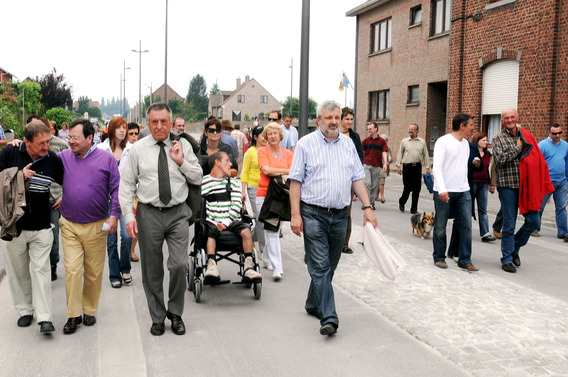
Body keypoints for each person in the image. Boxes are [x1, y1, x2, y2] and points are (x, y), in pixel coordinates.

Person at [290, 100, 377, 336]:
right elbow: (295, 181)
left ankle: (312, 302)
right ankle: (329, 317)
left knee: (330, 266)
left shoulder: (348, 144)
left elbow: (357, 178)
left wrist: (368, 207)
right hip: (313, 214)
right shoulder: (305, 144)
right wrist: (295, 214)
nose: (334, 122)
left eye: (337, 117)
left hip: (340, 216)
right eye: (329, 118)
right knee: (320, 267)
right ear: (319, 120)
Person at [119, 103, 202, 336]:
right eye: (154, 122)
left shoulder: (182, 144)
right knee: (151, 269)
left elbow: (197, 177)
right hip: (149, 213)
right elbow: (125, 186)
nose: (159, 126)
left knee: (178, 265)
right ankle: (157, 316)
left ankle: (175, 313)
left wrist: (181, 162)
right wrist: (128, 216)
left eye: (163, 121)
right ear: (147, 123)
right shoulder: (137, 150)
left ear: (170, 121)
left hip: (177, 213)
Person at [0, 120, 63, 334]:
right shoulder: (9, 153)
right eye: (41, 143)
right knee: (18, 272)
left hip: (42, 226)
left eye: (48, 141)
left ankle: (45, 317)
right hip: (12, 227)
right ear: (26, 141)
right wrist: (18, 177)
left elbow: (67, 181)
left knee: (42, 271)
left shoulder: (52, 159)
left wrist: (64, 195)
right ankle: (25, 311)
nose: (46, 147)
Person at [58, 118, 120, 334]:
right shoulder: (64, 157)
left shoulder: (106, 159)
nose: (71, 141)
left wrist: (114, 216)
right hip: (69, 224)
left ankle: (89, 310)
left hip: (97, 225)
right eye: (69, 137)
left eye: (75, 138)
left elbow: (116, 189)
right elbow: (44, 165)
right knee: (73, 270)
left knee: (93, 272)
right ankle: (73, 315)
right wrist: (17, 145)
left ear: (89, 138)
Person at [492, 108, 553, 273]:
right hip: (508, 187)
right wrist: (518, 148)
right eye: (506, 118)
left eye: (512, 117)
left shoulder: (527, 135)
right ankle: (506, 259)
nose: (510, 120)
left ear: (517, 117)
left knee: (534, 221)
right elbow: (500, 159)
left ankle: (514, 248)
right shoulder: (498, 138)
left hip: (528, 186)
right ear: (502, 121)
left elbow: (537, 157)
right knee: (509, 224)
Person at [201, 151, 262, 283]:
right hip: (213, 220)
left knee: (246, 231)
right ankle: (211, 265)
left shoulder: (233, 183)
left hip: (231, 219)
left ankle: (248, 266)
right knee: (210, 232)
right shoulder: (204, 182)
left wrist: (226, 222)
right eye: (227, 161)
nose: (231, 164)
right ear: (217, 162)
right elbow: (199, 205)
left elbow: (236, 205)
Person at [431, 113, 479, 272]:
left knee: (466, 226)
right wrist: (442, 189)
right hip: (444, 190)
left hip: (463, 191)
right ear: (462, 126)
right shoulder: (443, 142)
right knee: (440, 225)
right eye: (471, 125)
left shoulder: (466, 144)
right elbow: (436, 167)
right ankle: (439, 257)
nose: (473, 128)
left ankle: (465, 259)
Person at [97, 117, 133, 288]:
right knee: (111, 239)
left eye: (124, 127)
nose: (122, 131)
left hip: (126, 199)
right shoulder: (101, 149)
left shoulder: (132, 149)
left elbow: (138, 173)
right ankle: (114, 274)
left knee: (127, 236)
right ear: (111, 130)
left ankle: (125, 268)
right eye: (118, 127)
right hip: (107, 200)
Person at [257, 122, 294, 280]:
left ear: (280, 136)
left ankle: (266, 259)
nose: (272, 136)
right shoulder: (262, 151)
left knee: (274, 230)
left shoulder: (288, 154)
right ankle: (277, 269)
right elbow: (266, 170)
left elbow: (294, 172)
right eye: (269, 134)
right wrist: (285, 170)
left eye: (275, 134)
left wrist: (278, 171)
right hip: (264, 195)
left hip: (282, 196)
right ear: (266, 137)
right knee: (271, 230)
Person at [42, 117, 69, 281]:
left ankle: (52, 265)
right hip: (34, 199)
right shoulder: (29, 146)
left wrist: (65, 195)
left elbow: (71, 173)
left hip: (54, 199)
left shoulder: (60, 145)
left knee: (53, 235)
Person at [535, 123, 568, 239]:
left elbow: (567, 162)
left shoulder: (565, 145)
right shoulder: (542, 145)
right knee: (540, 206)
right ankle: (534, 228)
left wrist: (567, 177)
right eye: (555, 133)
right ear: (549, 133)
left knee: (561, 207)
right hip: (547, 181)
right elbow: (537, 162)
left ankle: (563, 232)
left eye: (560, 133)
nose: (558, 135)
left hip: (562, 181)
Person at [339, 107, 363, 255]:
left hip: (349, 179)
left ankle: (345, 243)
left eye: (351, 119)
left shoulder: (354, 137)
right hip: (335, 177)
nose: (349, 122)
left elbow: (360, 157)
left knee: (347, 213)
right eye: (347, 119)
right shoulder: (334, 134)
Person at [241, 125, 267, 259]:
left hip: (267, 188)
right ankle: (263, 249)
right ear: (255, 137)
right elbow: (244, 172)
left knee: (263, 219)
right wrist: (243, 191)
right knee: (260, 218)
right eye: (262, 135)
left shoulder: (269, 150)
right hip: (253, 188)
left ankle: (249, 238)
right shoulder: (250, 152)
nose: (265, 137)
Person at [396, 124, 431, 214]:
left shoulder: (422, 142)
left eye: (412, 129)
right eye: (409, 129)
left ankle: (414, 209)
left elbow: (425, 155)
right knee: (407, 188)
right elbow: (400, 153)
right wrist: (398, 165)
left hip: (417, 167)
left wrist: (428, 167)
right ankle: (402, 201)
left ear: (417, 131)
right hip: (407, 167)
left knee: (417, 188)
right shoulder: (404, 141)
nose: (410, 131)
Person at [471, 132, 496, 242]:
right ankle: (464, 230)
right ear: (477, 141)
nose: (486, 142)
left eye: (486, 140)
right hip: (472, 183)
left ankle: (485, 233)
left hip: (483, 184)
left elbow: (490, 170)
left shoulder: (488, 155)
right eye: (483, 140)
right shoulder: (471, 153)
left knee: (483, 209)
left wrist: (491, 184)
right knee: (467, 209)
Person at [362, 122, 388, 210]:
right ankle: (365, 203)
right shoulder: (365, 141)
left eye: (370, 129)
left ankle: (371, 203)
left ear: (376, 129)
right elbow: (360, 152)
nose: (369, 130)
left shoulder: (382, 141)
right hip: (366, 165)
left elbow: (384, 152)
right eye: (368, 129)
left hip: (376, 166)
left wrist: (385, 163)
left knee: (374, 186)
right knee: (367, 183)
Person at [127, 122, 140, 262]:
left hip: (139, 194)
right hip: (124, 193)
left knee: (136, 227)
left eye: (136, 133)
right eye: (131, 134)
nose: (134, 136)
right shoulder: (123, 150)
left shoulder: (142, 149)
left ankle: (131, 250)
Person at [375, 134, 393, 202]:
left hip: (384, 166)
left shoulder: (388, 147)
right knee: (381, 181)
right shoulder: (377, 146)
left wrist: (388, 163)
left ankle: (376, 196)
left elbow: (391, 158)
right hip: (378, 165)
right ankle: (382, 197)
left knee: (379, 182)